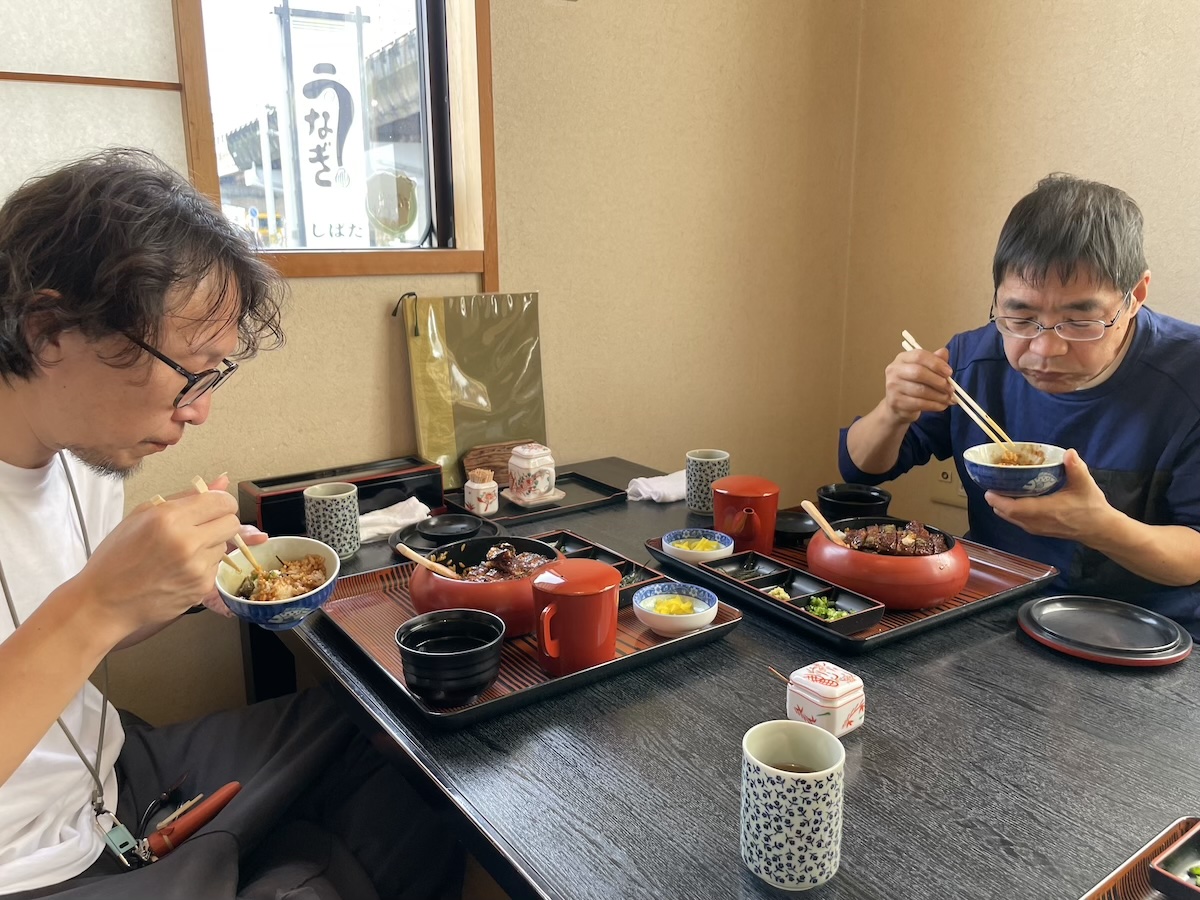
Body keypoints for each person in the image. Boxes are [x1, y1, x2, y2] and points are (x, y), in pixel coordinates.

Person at [0, 150, 463, 898]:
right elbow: (83, 622)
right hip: (25, 863)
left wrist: (175, 587)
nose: (200, 410)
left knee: (405, 735)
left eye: (214, 373)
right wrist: (101, 600)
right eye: (190, 371)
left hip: (111, 783)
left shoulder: (81, 453)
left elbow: (75, 639)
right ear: (48, 332)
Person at [840, 173, 1200, 635]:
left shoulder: (1187, 378)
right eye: (1021, 316)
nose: (1045, 349)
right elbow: (861, 469)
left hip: (1145, 632)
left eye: (1079, 321)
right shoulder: (973, 360)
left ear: (1135, 297)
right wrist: (892, 411)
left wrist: (1101, 527)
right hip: (988, 609)